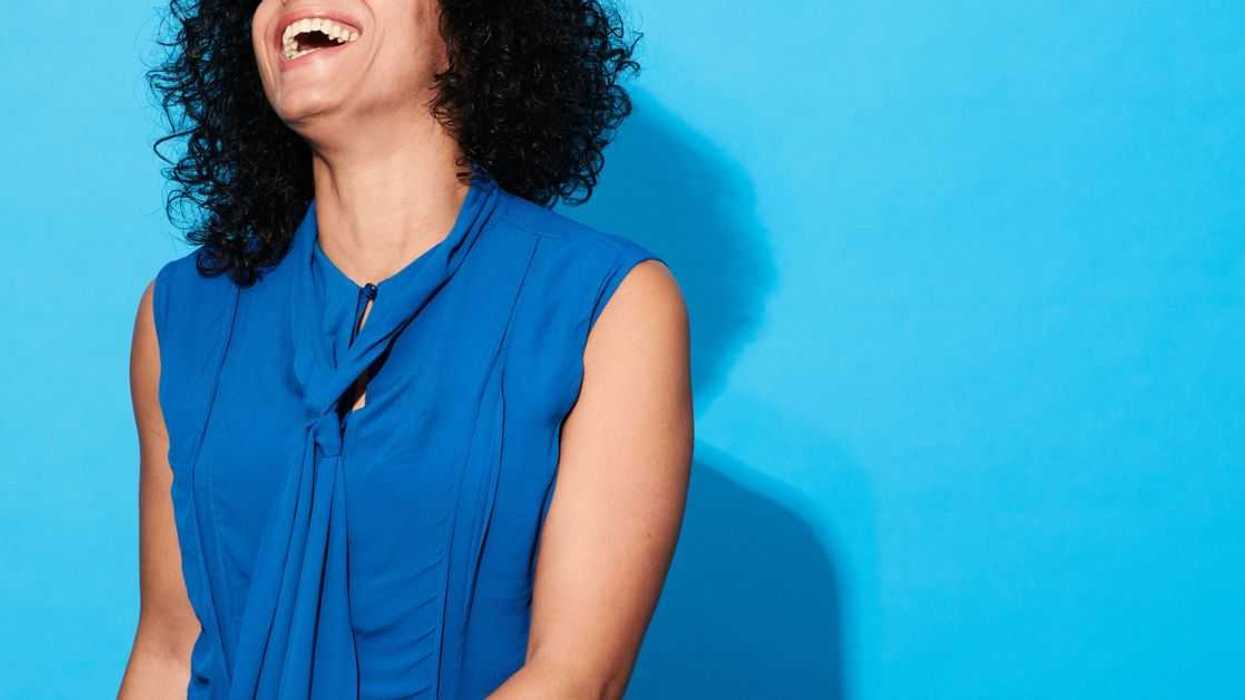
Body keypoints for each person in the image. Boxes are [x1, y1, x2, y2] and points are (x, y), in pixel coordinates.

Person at [117, 0, 693, 697]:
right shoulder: (180, 312)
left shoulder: (610, 303)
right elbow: (169, 651)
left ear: (468, 31)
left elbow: (574, 677)